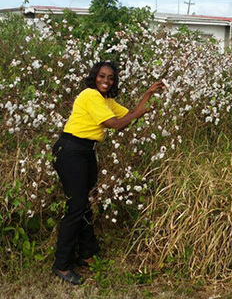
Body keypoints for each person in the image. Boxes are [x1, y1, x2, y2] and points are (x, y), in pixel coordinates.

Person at [51, 61, 164, 285]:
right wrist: (140, 113)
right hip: (71, 150)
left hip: (86, 152)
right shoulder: (90, 95)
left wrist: (148, 94)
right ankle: (61, 265)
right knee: (76, 207)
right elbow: (116, 125)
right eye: (102, 76)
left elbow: (129, 115)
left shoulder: (106, 101)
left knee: (86, 205)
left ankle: (86, 254)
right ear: (95, 77)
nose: (106, 80)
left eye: (110, 78)